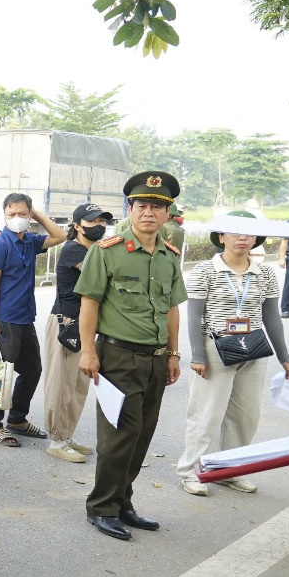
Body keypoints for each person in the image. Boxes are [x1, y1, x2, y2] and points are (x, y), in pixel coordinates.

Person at [76, 171, 185, 540]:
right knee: (118, 437)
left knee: (141, 435)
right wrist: (88, 350)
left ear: (167, 213)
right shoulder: (107, 252)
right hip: (118, 356)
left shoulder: (169, 256)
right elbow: (89, 303)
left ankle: (123, 502)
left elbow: (172, 308)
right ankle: (102, 507)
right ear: (130, 208)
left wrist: (173, 353)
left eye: (157, 206)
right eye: (142, 205)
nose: (149, 212)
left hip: (155, 359)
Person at [177, 211, 289, 495]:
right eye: (234, 232)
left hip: (253, 348)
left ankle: (229, 470)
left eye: (248, 232)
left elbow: (271, 317)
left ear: (256, 238)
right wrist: (197, 355)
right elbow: (194, 316)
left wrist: (284, 355)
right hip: (214, 346)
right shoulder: (205, 271)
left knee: (245, 416)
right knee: (206, 414)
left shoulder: (265, 272)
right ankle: (190, 471)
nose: (243, 237)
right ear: (221, 237)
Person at [0, 192, 66, 446]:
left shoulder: (30, 241)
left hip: (25, 317)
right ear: (3, 215)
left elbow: (60, 236)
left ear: (29, 216)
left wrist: (37, 213)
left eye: (22, 214)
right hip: (5, 319)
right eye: (11, 214)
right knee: (1, 372)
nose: (16, 218)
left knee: (32, 369)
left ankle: (17, 419)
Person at [42, 203, 112, 462]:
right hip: (66, 322)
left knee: (78, 383)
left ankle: (66, 434)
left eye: (103, 222)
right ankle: (56, 440)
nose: (99, 226)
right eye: (93, 221)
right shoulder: (74, 249)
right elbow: (102, 278)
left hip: (83, 323)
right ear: (77, 225)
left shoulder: (93, 250)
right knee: (62, 383)